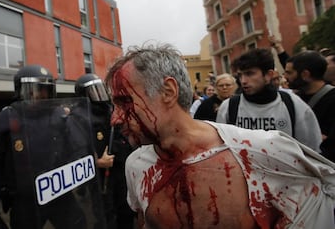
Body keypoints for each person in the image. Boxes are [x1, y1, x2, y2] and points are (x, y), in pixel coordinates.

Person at [104, 43, 335, 229]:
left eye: (124, 102)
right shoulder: (136, 166)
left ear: (168, 92)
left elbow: (325, 190)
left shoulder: (262, 151)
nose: (115, 118)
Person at [0, 65, 106, 229]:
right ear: (20, 91)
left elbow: (76, 147)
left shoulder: (60, 116)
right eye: (33, 90)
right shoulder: (2, 122)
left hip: (59, 191)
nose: (39, 95)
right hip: (25, 200)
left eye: (45, 90)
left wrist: (90, 162)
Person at [216, 48, 321, 151]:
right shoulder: (229, 107)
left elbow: (311, 150)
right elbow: (220, 149)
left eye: (249, 74)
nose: (243, 81)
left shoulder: (294, 104)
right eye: (240, 75)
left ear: (268, 75)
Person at [74, 73, 135, 229]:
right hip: (100, 177)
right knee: (106, 214)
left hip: (119, 169)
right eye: (93, 91)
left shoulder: (111, 111)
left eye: (100, 89)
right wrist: (96, 163)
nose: (99, 96)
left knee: (126, 209)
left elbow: (123, 138)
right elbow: (75, 150)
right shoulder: (78, 118)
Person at [284, 50, 335, 162]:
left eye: (290, 73)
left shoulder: (332, 99)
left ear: (305, 75)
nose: (285, 77)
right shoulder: (292, 99)